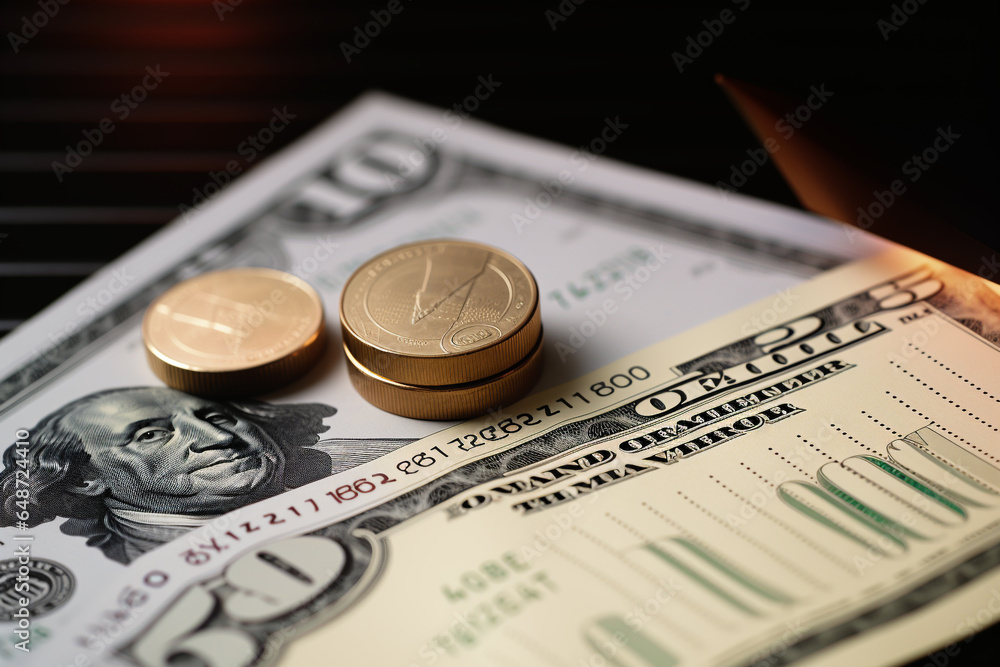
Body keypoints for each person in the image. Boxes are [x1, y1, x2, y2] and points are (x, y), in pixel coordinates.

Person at [0, 386, 337, 564]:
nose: (218, 438)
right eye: (150, 435)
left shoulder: (369, 457)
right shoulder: (128, 562)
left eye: (218, 418)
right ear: (81, 480)